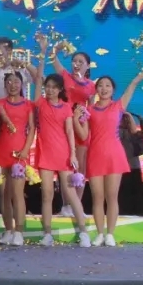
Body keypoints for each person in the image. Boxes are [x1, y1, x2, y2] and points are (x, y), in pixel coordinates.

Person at [87, 55, 143, 246]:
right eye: (100, 85)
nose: (104, 88)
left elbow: (134, 83)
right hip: (95, 155)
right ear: (96, 89)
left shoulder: (118, 106)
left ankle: (110, 234)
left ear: (113, 90)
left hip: (114, 155)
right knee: (97, 197)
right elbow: (83, 134)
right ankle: (100, 233)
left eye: (107, 86)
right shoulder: (90, 110)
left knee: (112, 196)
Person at [35, 73, 90, 247]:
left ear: (60, 90)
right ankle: (47, 234)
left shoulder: (66, 107)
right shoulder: (40, 103)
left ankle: (84, 232)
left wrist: (72, 154)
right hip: (45, 154)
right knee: (47, 195)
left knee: (71, 193)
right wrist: (42, 59)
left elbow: (69, 131)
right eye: (47, 86)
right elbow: (37, 76)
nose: (50, 90)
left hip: (63, 154)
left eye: (54, 87)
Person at [49, 36, 96, 214]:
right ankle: (66, 205)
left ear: (88, 66)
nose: (76, 64)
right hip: (64, 125)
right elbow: (53, 58)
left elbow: (91, 108)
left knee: (80, 167)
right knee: (66, 165)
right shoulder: (65, 76)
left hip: (81, 126)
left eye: (81, 62)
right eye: (74, 61)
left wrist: (85, 120)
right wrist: (58, 47)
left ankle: (77, 206)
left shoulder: (91, 86)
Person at [0, 71, 35, 247]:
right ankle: (8, 230)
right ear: (5, 85)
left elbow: (32, 129)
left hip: (19, 154)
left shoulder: (28, 104)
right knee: (4, 194)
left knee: (18, 193)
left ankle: (19, 231)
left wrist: (25, 150)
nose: (13, 85)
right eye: (9, 82)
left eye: (16, 81)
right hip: (0, 152)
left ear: (22, 84)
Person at [119, 112, 143, 216]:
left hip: (134, 165)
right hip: (122, 166)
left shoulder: (134, 133)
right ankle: (124, 211)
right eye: (124, 119)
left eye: (128, 120)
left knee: (136, 190)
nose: (127, 121)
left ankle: (137, 211)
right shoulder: (118, 132)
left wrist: (141, 121)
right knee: (124, 191)